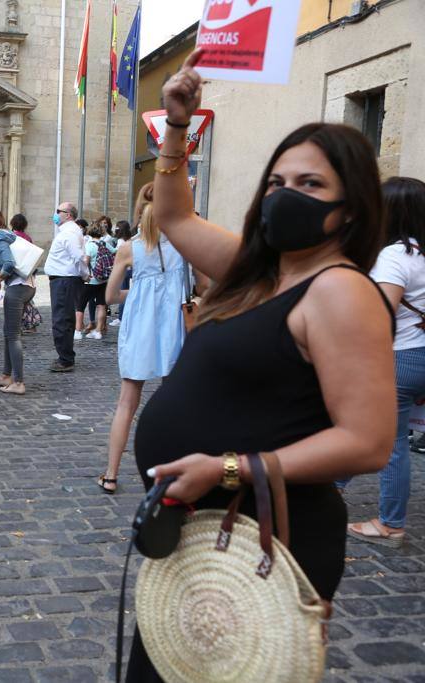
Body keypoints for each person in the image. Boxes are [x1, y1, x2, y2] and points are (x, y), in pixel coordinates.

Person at [127, 52, 395, 680]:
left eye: (309, 185)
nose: (285, 196)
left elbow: (369, 440)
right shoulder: (258, 270)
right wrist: (175, 127)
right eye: (277, 183)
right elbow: (173, 217)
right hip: (203, 531)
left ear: (350, 208)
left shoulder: (340, 290)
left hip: (264, 535)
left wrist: (227, 468)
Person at [345, 177, 425, 547]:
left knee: (391, 442)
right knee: (362, 427)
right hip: (420, 356)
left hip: (398, 358)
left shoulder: (395, 256)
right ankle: (327, 485)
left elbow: (379, 317)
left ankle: (390, 524)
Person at [97, 184, 187, 494]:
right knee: (174, 404)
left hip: (140, 330)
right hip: (175, 327)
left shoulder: (129, 248)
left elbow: (110, 296)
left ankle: (111, 474)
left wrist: (135, 292)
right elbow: (203, 285)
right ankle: (174, 475)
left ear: (139, 211)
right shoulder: (183, 243)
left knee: (127, 403)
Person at [0, 208, 36, 396]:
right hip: (26, 285)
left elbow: (9, 263)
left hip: (17, 287)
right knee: (9, 333)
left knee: (13, 335)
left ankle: (18, 381)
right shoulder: (7, 233)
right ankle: (6, 375)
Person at [44, 202, 85, 371]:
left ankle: (65, 359)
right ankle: (65, 356)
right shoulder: (69, 231)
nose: (55, 214)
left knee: (62, 318)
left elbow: (78, 256)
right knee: (64, 317)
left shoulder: (69, 233)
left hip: (64, 280)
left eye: (58, 211)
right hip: (63, 279)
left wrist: (84, 273)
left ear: (68, 214)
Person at [80, 221, 113, 341]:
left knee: (81, 304)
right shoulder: (104, 243)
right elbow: (115, 251)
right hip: (104, 280)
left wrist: (83, 274)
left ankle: (78, 329)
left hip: (92, 280)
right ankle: (98, 331)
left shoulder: (89, 245)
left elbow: (86, 262)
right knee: (101, 305)